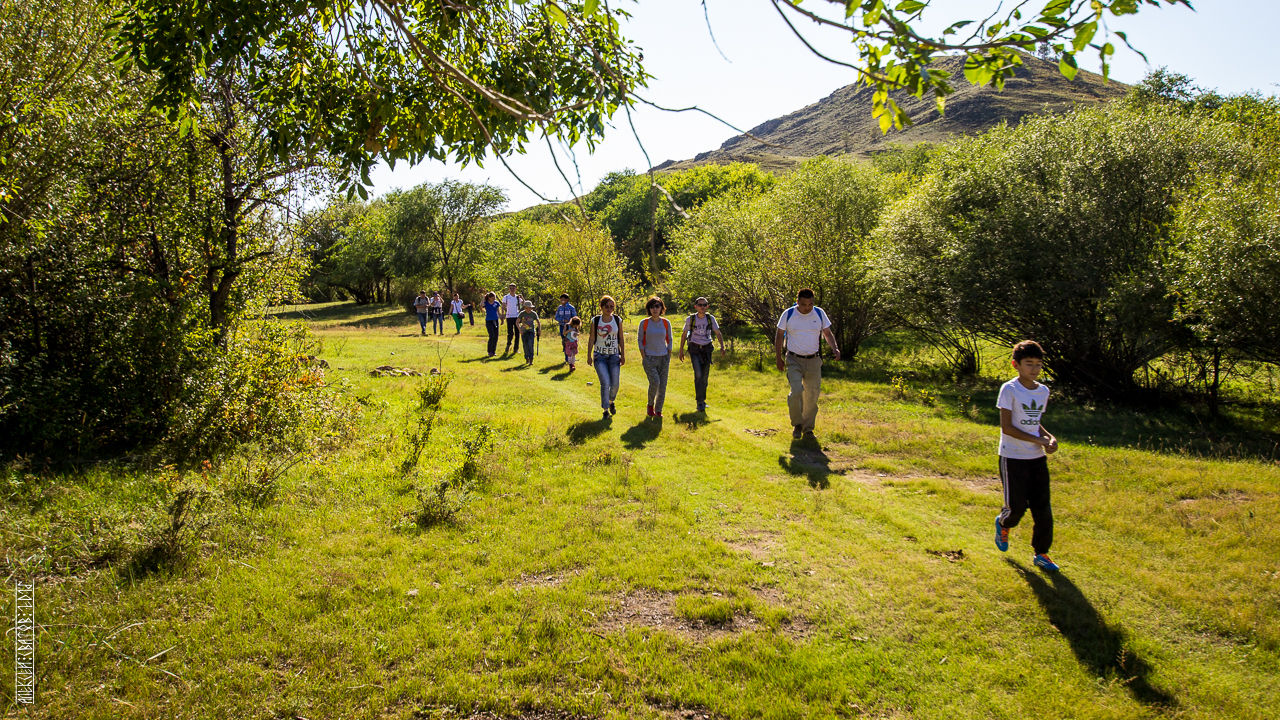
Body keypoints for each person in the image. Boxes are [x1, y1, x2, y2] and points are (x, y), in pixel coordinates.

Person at [994, 340, 1061, 573]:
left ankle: (1041, 553)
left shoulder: (1043, 391)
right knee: (1017, 507)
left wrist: (1049, 438)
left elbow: (1035, 423)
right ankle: (1003, 523)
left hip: (1036, 459)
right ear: (1016, 365)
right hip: (1012, 458)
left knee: (1043, 508)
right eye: (1029, 364)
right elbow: (1007, 428)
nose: (1034, 369)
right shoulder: (1009, 389)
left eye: (1038, 364)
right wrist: (1039, 440)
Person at [774, 288, 841, 440]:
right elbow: (779, 337)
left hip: (814, 360)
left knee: (812, 396)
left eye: (810, 304)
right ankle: (797, 424)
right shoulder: (788, 314)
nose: (807, 308)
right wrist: (778, 358)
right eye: (804, 304)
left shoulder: (819, 313)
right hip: (793, 359)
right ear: (797, 302)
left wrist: (835, 348)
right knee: (797, 391)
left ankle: (808, 429)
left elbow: (827, 334)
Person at [678, 296, 725, 413]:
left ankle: (702, 400)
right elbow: (684, 335)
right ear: (696, 306)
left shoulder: (710, 318)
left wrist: (722, 346)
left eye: (704, 305)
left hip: (707, 350)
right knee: (698, 374)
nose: (702, 307)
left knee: (704, 377)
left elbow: (718, 333)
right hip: (694, 350)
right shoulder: (691, 319)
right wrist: (681, 350)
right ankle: (699, 402)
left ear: (707, 306)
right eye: (700, 305)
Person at [585, 295, 625, 420]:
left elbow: (621, 338)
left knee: (615, 384)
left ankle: (611, 401)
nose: (609, 309)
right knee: (605, 382)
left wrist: (622, 354)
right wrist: (589, 355)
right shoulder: (595, 320)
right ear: (601, 307)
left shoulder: (617, 320)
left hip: (614, 355)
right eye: (606, 306)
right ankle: (605, 410)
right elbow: (592, 338)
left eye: (611, 306)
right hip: (599, 355)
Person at [637, 296, 673, 418]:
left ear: (662, 308)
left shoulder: (666, 322)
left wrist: (669, 354)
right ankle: (650, 405)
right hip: (649, 358)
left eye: (657, 306)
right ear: (649, 309)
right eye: (652, 307)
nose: (655, 309)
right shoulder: (644, 323)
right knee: (655, 382)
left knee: (662, 386)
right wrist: (644, 356)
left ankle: (658, 411)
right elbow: (640, 340)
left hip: (663, 357)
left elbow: (670, 339)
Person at [554, 293, 577, 364]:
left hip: (569, 327)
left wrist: (570, 322)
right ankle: (567, 357)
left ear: (567, 300)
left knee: (570, 341)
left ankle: (571, 357)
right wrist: (563, 320)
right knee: (564, 341)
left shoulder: (571, 308)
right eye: (560, 300)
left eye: (563, 300)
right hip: (562, 327)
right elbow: (556, 317)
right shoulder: (559, 308)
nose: (561, 301)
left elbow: (574, 317)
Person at [517, 300, 540, 366]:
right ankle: (526, 357)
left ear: (531, 308)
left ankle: (531, 359)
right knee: (525, 345)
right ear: (524, 308)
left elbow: (538, 322)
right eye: (526, 308)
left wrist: (539, 330)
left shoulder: (533, 313)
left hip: (531, 331)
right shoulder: (522, 313)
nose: (528, 309)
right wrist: (520, 329)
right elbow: (517, 322)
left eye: (529, 308)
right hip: (524, 331)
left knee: (530, 344)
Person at [502, 284, 521, 354]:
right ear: (509, 289)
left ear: (516, 289)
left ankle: (516, 349)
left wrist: (522, 298)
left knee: (517, 333)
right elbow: (503, 306)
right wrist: (502, 314)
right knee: (510, 333)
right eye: (511, 288)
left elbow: (524, 304)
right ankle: (508, 344)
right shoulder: (506, 297)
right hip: (509, 317)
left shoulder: (517, 297)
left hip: (517, 317)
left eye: (513, 288)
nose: (512, 289)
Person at [482, 292, 501, 357]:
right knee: (492, 335)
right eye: (492, 298)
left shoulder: (496, 303)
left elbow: (498, 312)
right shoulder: (486, 303)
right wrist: (483, 298)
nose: (494, 299)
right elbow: (481, 305)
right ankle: (489, 351)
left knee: (496, 336)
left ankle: (493, 351)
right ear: (489, 298)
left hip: (495, 320)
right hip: (489, 321)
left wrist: (501, 318)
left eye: (494, 298)